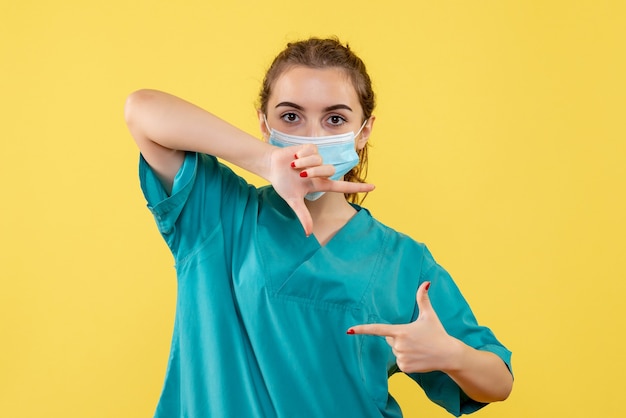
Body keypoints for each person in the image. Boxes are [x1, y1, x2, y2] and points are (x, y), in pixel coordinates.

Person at [124, 37, 513, 418]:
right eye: (291, 117)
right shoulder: (218, 214)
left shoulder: (402, 261)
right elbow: (141, 109)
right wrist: (266, 161)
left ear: (364, 132)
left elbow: (498, 382)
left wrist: (451, 355)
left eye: (335, 119)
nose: (311, 138)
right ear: (264, 122)